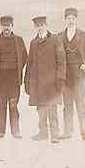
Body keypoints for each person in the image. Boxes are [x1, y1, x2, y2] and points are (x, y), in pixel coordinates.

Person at [57, 7, 85, 141]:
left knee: (81, 105)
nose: (70, 20)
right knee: (67, 106)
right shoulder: (59, 36)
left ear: (76, 19)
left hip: (79, 77)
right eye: (68, 18)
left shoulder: (84, 35)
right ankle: (67, 132)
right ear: (65, 20)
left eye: (73, 18)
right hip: (65, 77)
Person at [25, 16, 66, 144]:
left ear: (46, 25)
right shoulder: (33, 42)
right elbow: (30, 63)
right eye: (37, 26)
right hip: (37, 82)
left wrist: (60, 78)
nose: (40, 27)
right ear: (35, 27)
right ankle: (43, 133)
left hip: (52, 82)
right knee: (40, 108)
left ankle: (54, 134)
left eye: (42, 25)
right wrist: (27, 81)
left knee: (52, 108)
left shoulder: (55, 39)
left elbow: (62, 61)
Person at [0, 15, 28, 139]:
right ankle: (1, 131)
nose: (6, 28)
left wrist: (17, 70)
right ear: (1, 26)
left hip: (14, 79)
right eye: (4, 25)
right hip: (0, 79)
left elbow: (24, 57)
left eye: (8, 25)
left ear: (12, 26)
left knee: (13, 105)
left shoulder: (19, 40)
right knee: (1, 105)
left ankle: (15, 131)